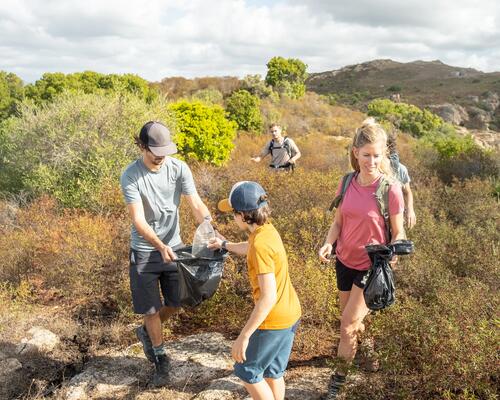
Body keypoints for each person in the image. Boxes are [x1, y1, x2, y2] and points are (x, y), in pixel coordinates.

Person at [318, 118, 406, 399]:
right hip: (344, 261)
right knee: (350, 321)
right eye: (366, 155)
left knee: (346, 325)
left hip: (372, 267)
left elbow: (398, 228)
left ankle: (338, 382)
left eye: (377, 155)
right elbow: (338, 223)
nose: (371, 161)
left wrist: (397, 248)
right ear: (355, 152)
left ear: (384, 155)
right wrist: (328, 244)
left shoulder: (390, 188)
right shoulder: (346, 182)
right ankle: (368, 352)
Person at [120, 121, 213, 387]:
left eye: (165, 150)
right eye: (155, 150)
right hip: (145, 253)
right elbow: (138, 219)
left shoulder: (178, 168)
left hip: (175, 247)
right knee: (150, 309)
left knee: (177, 301)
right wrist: (160, 245)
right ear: (141, 146)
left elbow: (195, 202)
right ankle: (161, 358)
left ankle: (147, 332)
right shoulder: (131, 175)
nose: (161, 155)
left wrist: (208, 227)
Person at [208, 181, 301, 400]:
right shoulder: (266, 231)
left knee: (247, 371)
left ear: (241, 215)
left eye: (232, 213)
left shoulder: (260, 244)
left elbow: (268, 297)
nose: (232, 217)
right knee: (273, 371)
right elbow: (249, 247)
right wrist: (225, 244)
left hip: (273, 321)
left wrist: (244, 335)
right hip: (291, 313)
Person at [387, 133, 416, 229]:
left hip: (397, 219)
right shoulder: (371, 169)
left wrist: (410, 210)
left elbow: (407, 192)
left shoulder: (400, 169)